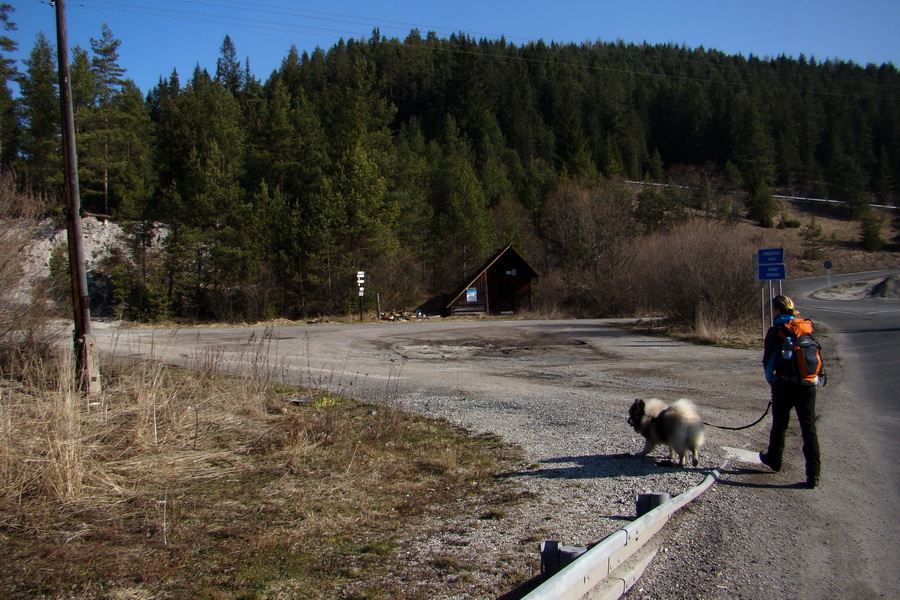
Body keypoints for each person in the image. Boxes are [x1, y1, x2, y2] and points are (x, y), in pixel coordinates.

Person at [759, 295, 821, 489]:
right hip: (808, 384)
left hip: (785, 384)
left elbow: (768, 362)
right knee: (808, 428)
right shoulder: (805, 326)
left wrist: (771, 381)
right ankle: (814, 474)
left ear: (777, 310)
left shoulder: (776, 330)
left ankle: (774, 460)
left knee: (780, 424)